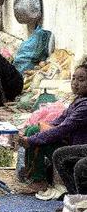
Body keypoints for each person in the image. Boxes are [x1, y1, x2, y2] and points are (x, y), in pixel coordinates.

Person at [18, 61, 87, 195]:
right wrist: (43, 127)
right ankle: (35, 178)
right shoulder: (78, 101)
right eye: (73, 78)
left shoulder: (84, 107)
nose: (75, 83)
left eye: (81, 80)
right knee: (33, 130)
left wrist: (32, 140)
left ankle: (38, 181)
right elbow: (60, 121)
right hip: (70, 143)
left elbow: (64, 128)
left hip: (78, 149)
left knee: (35, 137)